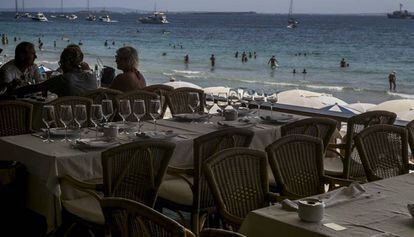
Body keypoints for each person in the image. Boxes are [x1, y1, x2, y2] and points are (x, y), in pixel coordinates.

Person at [11, 46, 97, 97]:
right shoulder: (92, 76)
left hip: (65, 118)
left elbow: (35, 88)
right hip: (88, 118)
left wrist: (13, 91)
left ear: (65, 62)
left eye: (61, 63)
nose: (61, 66)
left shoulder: (64, 79)